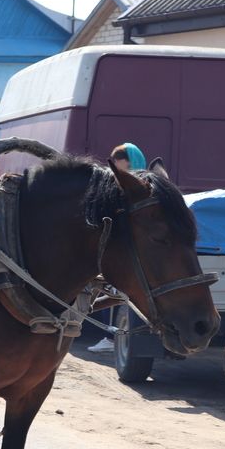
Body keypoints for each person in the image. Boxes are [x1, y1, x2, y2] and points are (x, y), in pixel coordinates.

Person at [88, 142, 148, 353]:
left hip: (130, 254)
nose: (117, 172)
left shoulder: (143, 191)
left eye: (121, 166)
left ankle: (112, 336)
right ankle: (110, 335)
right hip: (121, 251)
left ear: (133, 164)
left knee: (115, 294)